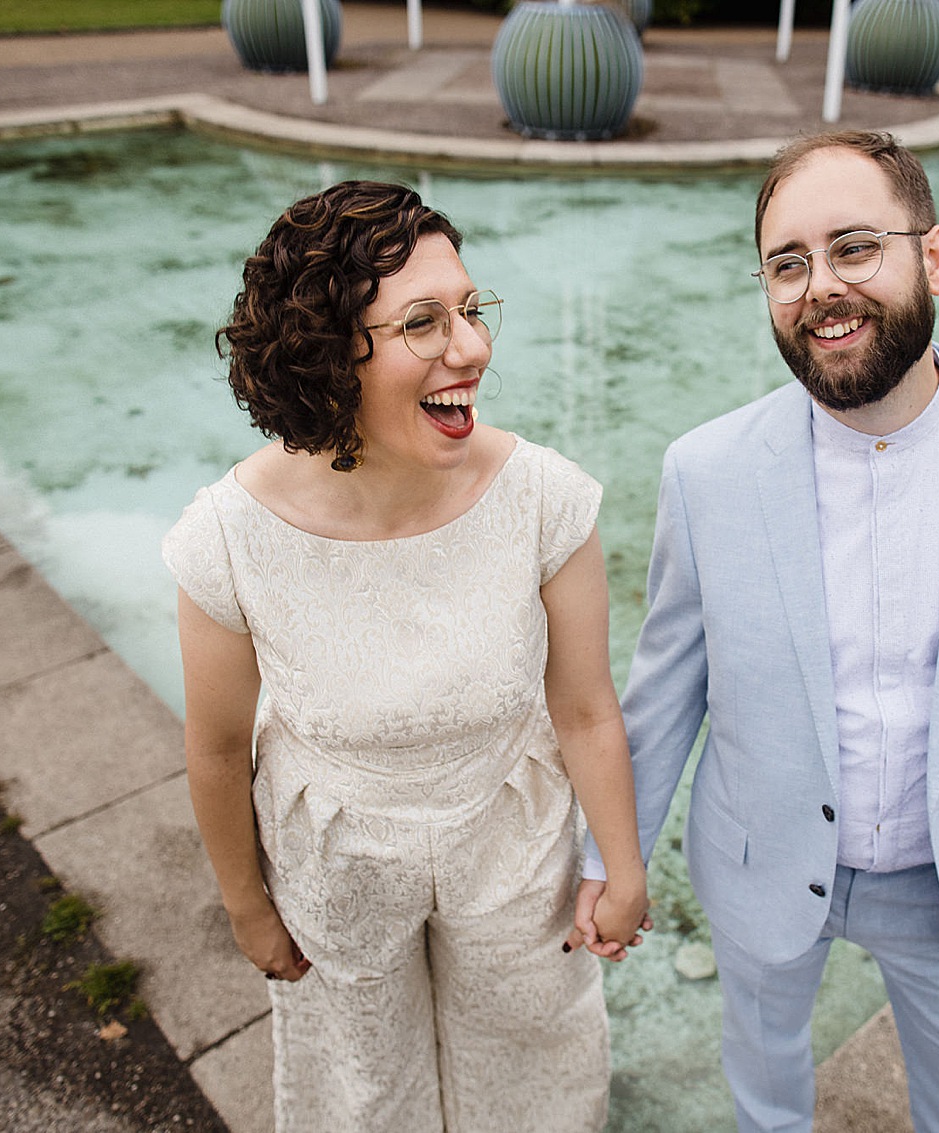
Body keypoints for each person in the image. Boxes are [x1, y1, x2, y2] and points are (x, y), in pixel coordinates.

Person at [583, 131, 939, 1132]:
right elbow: (661, 691)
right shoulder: (704, 473)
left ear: (935, 257)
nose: (819, 285)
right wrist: (610, 859)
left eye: (854, 247)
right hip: (757, 858)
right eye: (788, 262)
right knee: (762, 1082)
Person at [162, 181, 649, 1133]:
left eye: (470, 310)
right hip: (332, 860)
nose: (469, 348)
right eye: (422, 323)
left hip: (514, 844)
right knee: (361, 1092)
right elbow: (219, 748)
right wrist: (245, 906)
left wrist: (621, 865)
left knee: (534, 1074)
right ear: (322, 351)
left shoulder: (545, 499)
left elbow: (587, 708)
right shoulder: (227, 537)